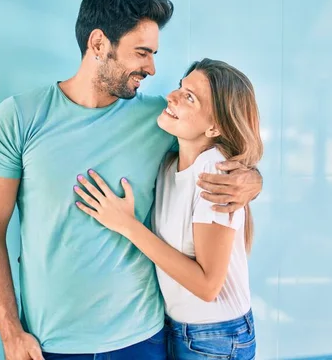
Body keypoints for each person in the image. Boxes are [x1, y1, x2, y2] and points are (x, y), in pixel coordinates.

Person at [0, 0, 263, 360]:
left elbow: (219, 142)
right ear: (98, 44)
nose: (152, 68)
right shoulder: (19, 118)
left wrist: (252, 180)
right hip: (51, 345)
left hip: (145, 339)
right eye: (142, 53)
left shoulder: (159, 120)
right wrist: (10, 333)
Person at [75, 58, 261, 359]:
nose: (172, 96)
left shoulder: (214, 174)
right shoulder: (169, 164)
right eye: (180, 87)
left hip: (216, 338)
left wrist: (127, 225)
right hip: (180, 330)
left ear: (215, 126)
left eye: (190, 97)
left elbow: (207, 285)